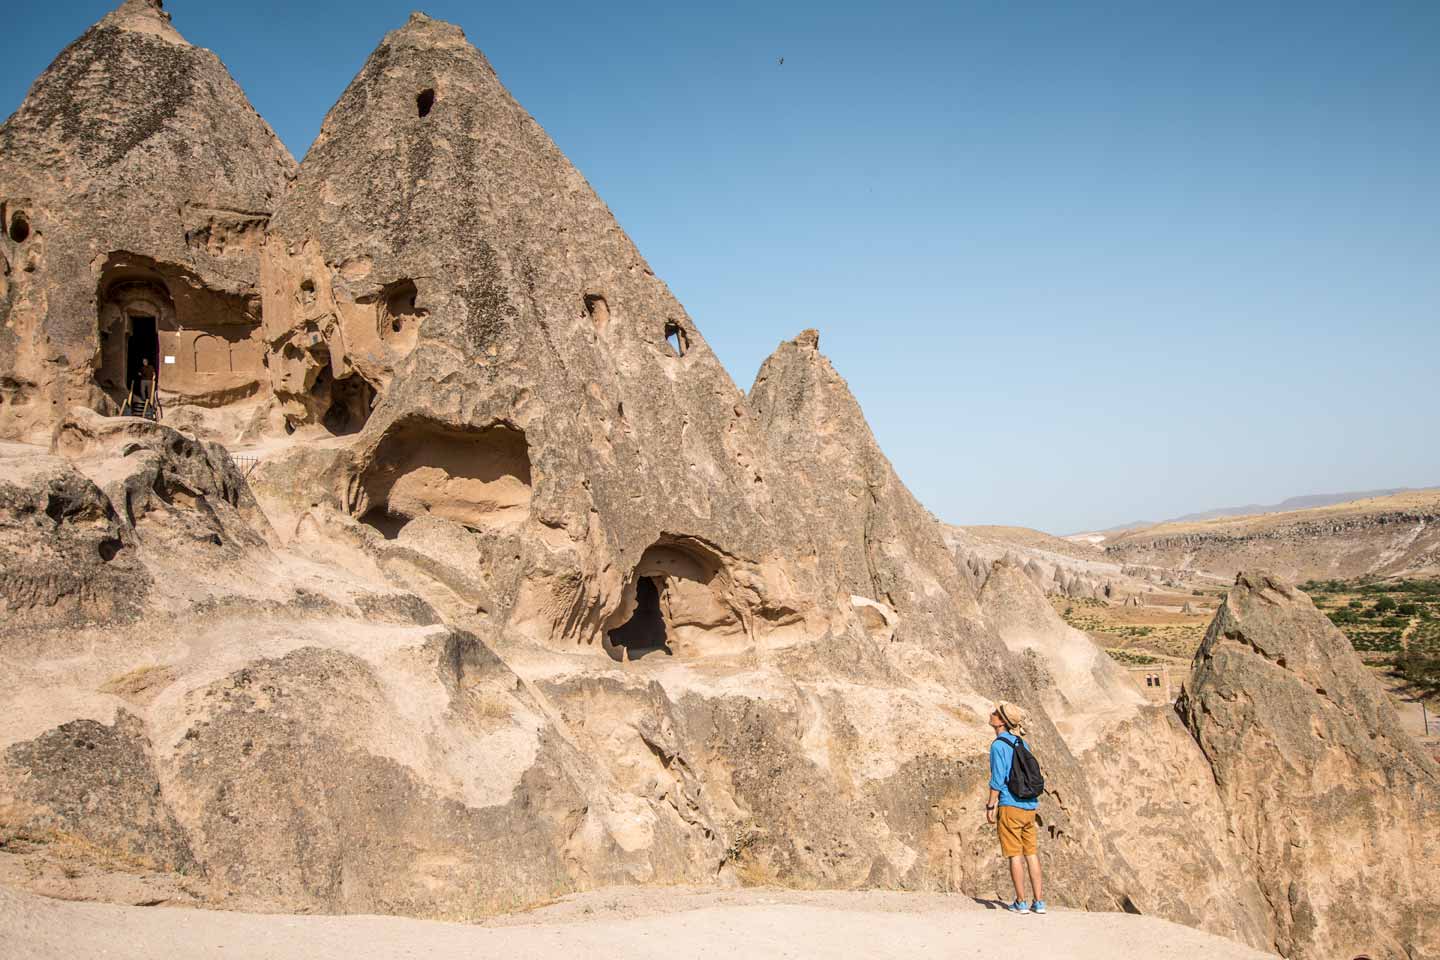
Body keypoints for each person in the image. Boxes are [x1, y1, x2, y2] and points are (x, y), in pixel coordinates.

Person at [986, 700, 1045, 915]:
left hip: (1010, 805)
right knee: (1031, 854)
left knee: (1015, 855)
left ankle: (1021, 901)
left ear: (1000, 721)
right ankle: (1039, 902)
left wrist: (990, 805)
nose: (991, 714)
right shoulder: (1022, 743)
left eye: (995, 713)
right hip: (1030, 806)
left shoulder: (998, 745)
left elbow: (998, 779)